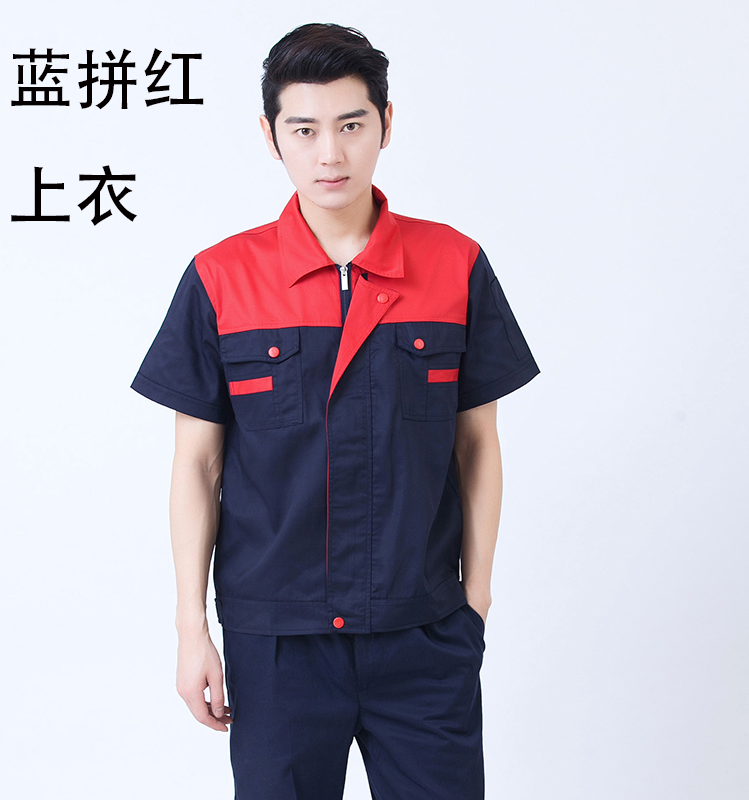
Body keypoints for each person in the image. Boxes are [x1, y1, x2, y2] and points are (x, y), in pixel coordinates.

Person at [131, 22, 540, 800]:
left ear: (386, 124)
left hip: (422, 631)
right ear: (270, 136)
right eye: (305, 130)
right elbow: (197, 464)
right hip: (277, 639)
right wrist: (192, 629)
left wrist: (475, 602)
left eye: (352, 125)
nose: (330, 153)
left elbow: (478, 446)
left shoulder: (454, 265)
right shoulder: (221, 277)